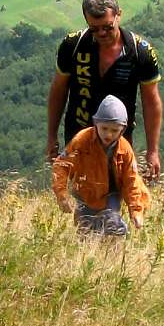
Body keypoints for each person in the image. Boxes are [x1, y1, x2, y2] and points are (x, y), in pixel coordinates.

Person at [46, 0, 163, 180]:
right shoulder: (72, 46)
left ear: (119, 15)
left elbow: (151, 102)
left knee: (118, 192)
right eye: (94, 29)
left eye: (108, 27)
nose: (101, 33)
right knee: (83, 193)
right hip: (78, 136)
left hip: (119, 139)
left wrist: (153, 151)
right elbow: (58, 91)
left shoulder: (140, 52)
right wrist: (51, 136)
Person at [52, 96, 149, 235]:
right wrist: (62, 195)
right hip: (85, 194)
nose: (108, 134)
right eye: (104, 128)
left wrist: (136, 211)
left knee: (112, 225)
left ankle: (118, 238)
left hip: (112, 194)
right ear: (95, 123)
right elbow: (61, 165)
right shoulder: (81, 141)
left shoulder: (125, 149)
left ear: (122, 130)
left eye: (114, 131)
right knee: (85, 232)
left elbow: (131, 181)